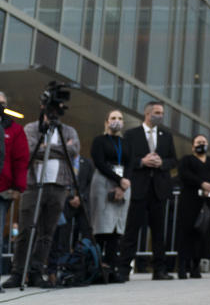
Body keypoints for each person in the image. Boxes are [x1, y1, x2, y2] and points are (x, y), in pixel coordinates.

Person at [4, 114, 79, 288]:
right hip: (33, 185)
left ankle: (36, 271)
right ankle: (18, 272)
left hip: (58, 186)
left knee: (47, 233)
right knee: (25, 230)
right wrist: (61, 148)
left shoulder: (68, 131)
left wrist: (46, 148)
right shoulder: (31, 128)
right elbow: (29, 150)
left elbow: (74, 150)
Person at [116, 101, 178, 281]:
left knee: (159, 232)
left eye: (162, 113)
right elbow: (126, 159)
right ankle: (123, 268)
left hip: (159, 190)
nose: (161, 115)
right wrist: (142, 162)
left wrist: (162, 163)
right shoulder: (131, 134)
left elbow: (173, 160)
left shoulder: (166, 136)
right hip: (138, 188)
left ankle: (159, 269)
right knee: (132, 230)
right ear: (148, 113)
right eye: (157, 112)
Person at [88, 110, 132, 282]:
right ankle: (97, 267)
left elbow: (129, 163)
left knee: (116, 227)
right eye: (113, 118)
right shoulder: (99, 141)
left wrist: (124, 183)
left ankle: (112, 267)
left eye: (120, 118)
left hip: (124, 184)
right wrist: (119, 180)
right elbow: (99, 162)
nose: (117, 121)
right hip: (104, 182)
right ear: (106, 122)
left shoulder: (125, 142)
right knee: (101, 226)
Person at [176, 135, 210, 279]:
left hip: (208, 202)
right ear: (193, 146)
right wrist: (201, 183)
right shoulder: (186, 160)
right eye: (198, 142)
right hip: (190, 201)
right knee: (186, 232)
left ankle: (196, 266)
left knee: (202, 234)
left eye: (204, 142)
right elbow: (184, 174)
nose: (201, 144)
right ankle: (182, 266)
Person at [0, 92, 28, 286]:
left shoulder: (15, 130)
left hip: (2, 189)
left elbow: (20, 159)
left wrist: (19, 186)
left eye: (2, 103)